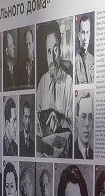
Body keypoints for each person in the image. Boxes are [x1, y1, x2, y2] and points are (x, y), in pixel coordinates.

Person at [37, 23, 73, 151]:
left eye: (55, 49)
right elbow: (35, 122)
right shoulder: (42, 82)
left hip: (64, 153)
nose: (52, 57)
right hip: (45, 152)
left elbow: (75, 125)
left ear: (61, 49)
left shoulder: (69, 83)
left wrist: (61, 119)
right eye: (48, 51)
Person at [75, 14, 94, 84]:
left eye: (87, 32)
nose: (85, 38)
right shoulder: (75, 62)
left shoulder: (93, 60)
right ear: (79, 35)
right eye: (83, 33)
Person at [74, 91, 94, 159]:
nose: (87, 123)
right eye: (83, 116)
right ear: (77, 122)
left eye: (90, 117)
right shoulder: (68, 153)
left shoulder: (93, 155)